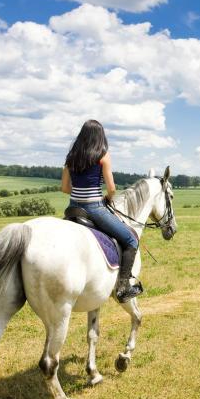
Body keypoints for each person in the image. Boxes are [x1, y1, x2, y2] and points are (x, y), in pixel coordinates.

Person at [61, 119, 143, 303]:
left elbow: (64, 188)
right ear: (100, 136)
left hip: (73, 208)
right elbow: (112, 188)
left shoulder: (71, 157)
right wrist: (107, 198)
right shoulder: (102, 155)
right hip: (94, 208)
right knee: (130, 239)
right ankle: (123, 287)